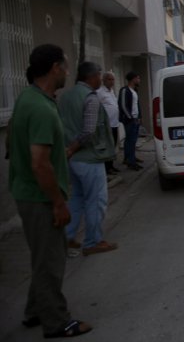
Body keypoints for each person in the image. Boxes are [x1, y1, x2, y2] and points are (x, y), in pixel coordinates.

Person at [8, 43, 93, 338]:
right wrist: (58, 203)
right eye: (65, 66)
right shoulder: (41, 107)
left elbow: (19, 148)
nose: (67, 72)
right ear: (55, 68)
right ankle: (57, 321)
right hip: (40, 198)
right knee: (51, 262)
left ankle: (34, 311)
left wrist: (63, 154)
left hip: (27, 192)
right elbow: (40, 163)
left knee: (41, 257)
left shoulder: (28, 99)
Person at [59, 62, 118, 257]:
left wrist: (68, 150)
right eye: (99, 76)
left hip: (72, 159)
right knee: (96, 200)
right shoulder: (90, 98)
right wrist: (74, 147)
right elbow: (89, 131)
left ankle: (67, 238)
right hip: (88, 158)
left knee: (76, 198)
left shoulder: (65, 96)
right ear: (90, 77)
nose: (100, 80)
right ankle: (93, 241)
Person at [118, 71, 142, 170]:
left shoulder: (134, 90)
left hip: (135, 119)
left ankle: (130, 158)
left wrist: (140, 117)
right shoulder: (125, 90)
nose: (139, 80)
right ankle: (130, 162)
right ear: (133, 79)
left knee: (133, 140)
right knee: (130, 140)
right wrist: (130, 118)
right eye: (138, 78)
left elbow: (137, 105)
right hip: (130, 120)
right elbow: (123, 105)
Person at [97, 71, 120, 175]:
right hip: (106, 125)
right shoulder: (100, 92)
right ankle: (107, 168)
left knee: (113, 145)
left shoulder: (111, 91)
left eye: (113, 79)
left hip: (114, 123)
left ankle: (111, 166)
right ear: (104, 80)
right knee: (107, 146)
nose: (111, 82)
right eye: (109, 79)